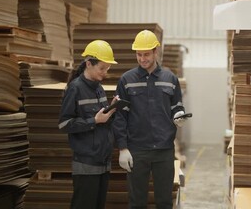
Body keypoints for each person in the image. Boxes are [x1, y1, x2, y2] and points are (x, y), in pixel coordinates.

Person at [112, 30, 187, 209]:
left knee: (164, 202)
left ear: (156, 52)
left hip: (164, 150)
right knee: (137, 202)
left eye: (146, 54)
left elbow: (177, 105)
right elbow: (120, 116)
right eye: (139, 54)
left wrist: (179, 115)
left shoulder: (170, 79)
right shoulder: (126, 80)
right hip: (137, 150)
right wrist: (122, 148)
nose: (142, 59)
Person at [58, 40, 118, 209]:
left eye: (107, 69)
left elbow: (101, 119)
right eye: (102, 68)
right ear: (89, 64)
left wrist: (112, 110)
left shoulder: (98, 88)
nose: (105, 73)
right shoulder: (75, 89)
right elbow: (64, 124)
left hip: (103, 162)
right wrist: (94, 121)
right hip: (86, 164)